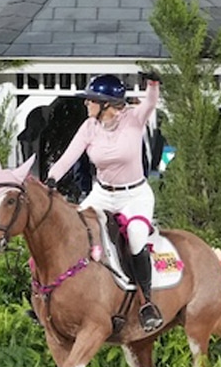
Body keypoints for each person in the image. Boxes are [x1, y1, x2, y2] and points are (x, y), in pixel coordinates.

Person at [45, 73, 163, 332]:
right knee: (74, 229)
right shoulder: (89, 127)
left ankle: (147, 303)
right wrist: (51, 180)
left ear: (107, 104)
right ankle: (53, 295)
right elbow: (68, 157)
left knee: (134, 237)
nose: (87, 104)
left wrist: (152, 85)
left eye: (91, 100)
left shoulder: (133, 119)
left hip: (134, 196)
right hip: (103, 193)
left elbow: (150, 103)